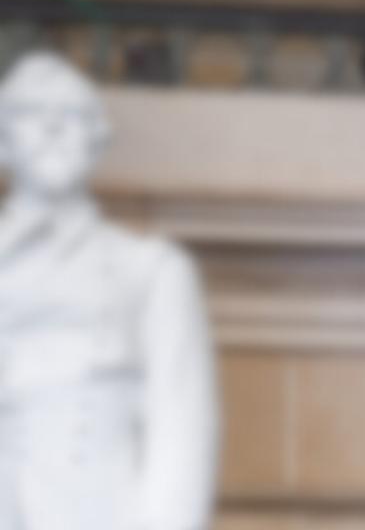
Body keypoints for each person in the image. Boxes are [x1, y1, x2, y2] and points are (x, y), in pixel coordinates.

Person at [0, 52, 218, 530]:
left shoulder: (151, 271)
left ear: (97, 142)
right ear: (3, 140)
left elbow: (181, 431)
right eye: (33, 113)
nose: (53, 128)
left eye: (72, 116)